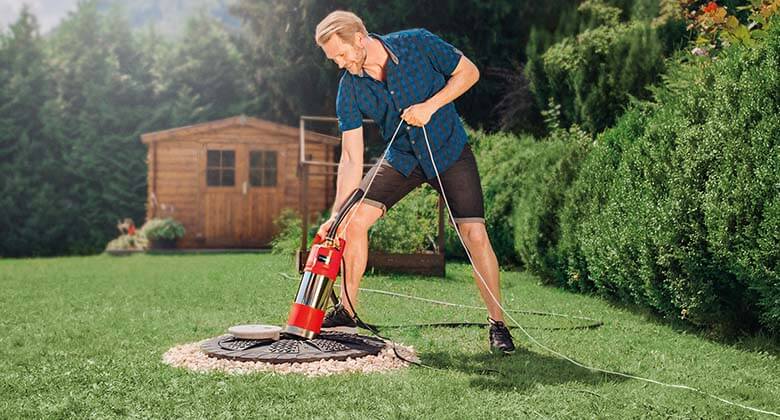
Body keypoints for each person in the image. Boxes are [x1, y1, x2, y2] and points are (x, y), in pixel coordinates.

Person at [314, 11, 515, 354]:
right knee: (352, 223)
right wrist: (336, 213)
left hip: (447, 149)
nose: (340, 63)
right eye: (334, 59)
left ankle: (498, 324)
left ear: (360, 39)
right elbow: (350, 156)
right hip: (403, 158)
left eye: (342, 54)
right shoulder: (349, 86)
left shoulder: (417, 43)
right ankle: (347, 311)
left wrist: (431, 106)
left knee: (474, 235)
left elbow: (469, 72)